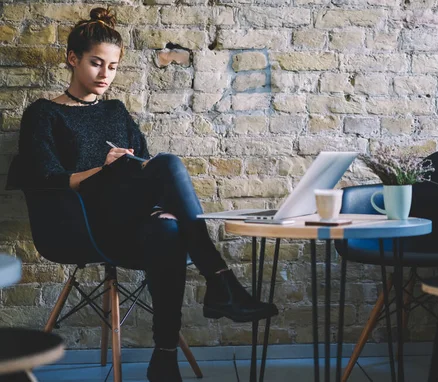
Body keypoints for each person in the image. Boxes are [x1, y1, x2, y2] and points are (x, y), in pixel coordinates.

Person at [16, 7, 278, 382]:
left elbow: (145, 166)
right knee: (168, 164)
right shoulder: (43, 114)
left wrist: (136, 173)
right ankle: (221, 281)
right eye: (96, 63)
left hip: (129, 215)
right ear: (72, 59)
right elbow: (48, 178)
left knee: (168, 225)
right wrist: (104, 170)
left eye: (113, 66)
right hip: (81, 220)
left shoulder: (116, 111)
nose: (105, 74)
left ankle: (165, 359)